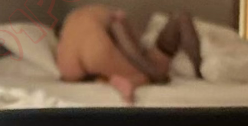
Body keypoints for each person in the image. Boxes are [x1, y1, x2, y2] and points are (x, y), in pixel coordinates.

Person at [55, 6, 202, 103]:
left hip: (68, 64)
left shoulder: (70, 27)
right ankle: (129, 81)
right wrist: (154, 74)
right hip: (101, 49)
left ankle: (103, 79)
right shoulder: (107, 14)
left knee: (97, 70)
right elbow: (127, 44)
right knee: (140, 74)